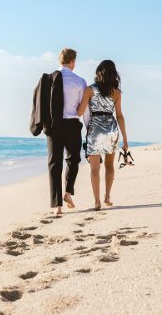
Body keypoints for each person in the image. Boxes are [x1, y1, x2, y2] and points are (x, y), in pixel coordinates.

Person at [77, 60, 128, 211]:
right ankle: (107, 196)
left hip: (95, 131)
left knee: (94, 169)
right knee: (109, 165)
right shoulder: (116, 92)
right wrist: (125, 138)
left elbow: (80, 112)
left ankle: (97, 201)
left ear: (98, 72)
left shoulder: (89, 90)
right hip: (111, 129)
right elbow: (119, 116)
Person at [46, 48, 88, 215]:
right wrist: (88, 127)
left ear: (60, 61)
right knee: (73, 160)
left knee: (55, 164)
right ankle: (68, 193)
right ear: (73, 61)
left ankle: (57, 207)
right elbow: (83, 109)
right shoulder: (80, 81)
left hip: (54, 126)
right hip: (72, 124)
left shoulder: (50, 79)